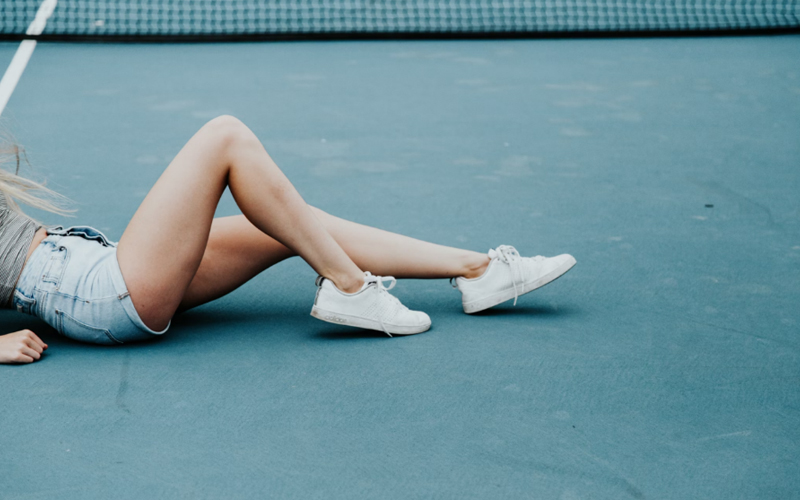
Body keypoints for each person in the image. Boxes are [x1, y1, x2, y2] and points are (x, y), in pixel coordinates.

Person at [0, 116, 575, 364]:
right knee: (224, 136)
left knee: (287, 222)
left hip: (95, 269)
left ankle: (478, 272)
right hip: (93, 292)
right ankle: (350, 287)